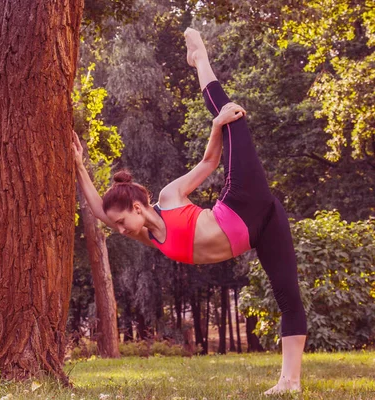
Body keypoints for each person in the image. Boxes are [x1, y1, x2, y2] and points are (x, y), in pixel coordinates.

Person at [72, 28, 307, 395]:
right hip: (261, 229)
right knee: (287, 297)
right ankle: (289, 383)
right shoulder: (150, 239)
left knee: (232, 120)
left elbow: (210, 162)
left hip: (243, 202)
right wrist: (80, 168)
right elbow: (99, 212)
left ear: (137, 206)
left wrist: (215, 126)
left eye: (121, 221)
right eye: (115, 225)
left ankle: (200, 59)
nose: (118, 229)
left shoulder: (169, 197)